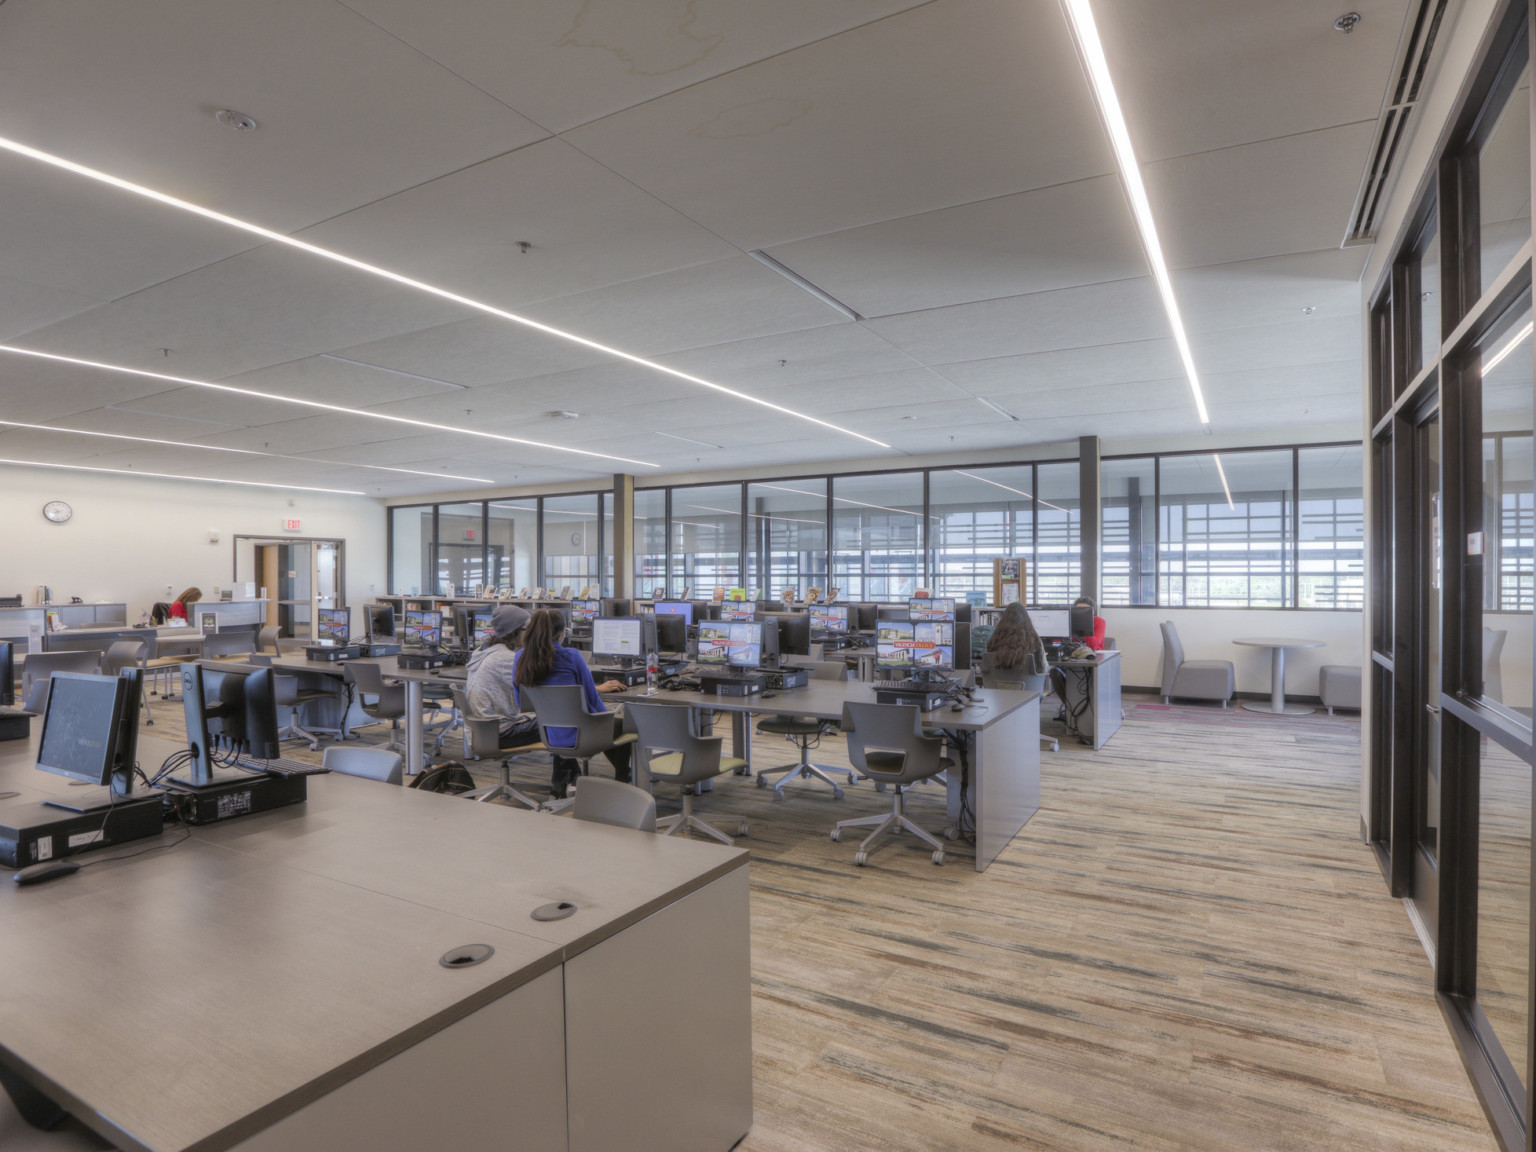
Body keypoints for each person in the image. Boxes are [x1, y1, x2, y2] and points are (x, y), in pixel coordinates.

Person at [513, 609, 631, 798]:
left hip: (549, 733)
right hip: (581, 734)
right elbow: (593, 699)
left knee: (608, 726)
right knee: (624, 726)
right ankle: (624, 783)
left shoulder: (520, 657)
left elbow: (523, 703)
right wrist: (606, 719)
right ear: (562, 634)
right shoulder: (572, 656)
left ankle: (614, 782)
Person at [465, 603, 537, 747]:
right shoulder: (504, 658)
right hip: (499, 733)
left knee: (555, 718)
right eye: (528, 629)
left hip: (484, 731)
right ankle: (567, 770)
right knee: (559, 719)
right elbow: (538, 687)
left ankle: (567, 770)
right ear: (514, 632)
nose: (531, 634)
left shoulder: (484, 651)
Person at [982, 602, 1050, 683]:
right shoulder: (1035, 641)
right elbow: (1044, 669)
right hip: (1028, 692)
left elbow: (986, 669)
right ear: (1027, 621)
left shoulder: (993, 642)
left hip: (998, 692)